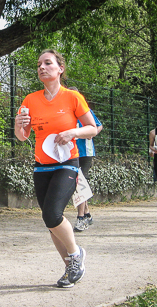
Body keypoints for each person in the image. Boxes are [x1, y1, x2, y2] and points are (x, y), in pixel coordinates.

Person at [14, 49, 97, 288]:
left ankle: (76, 254)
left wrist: (74, 132)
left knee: (52, 213)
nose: (41, 67)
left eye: (47, 63)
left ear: (60, 68)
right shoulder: (30, 99)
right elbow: (22, 137)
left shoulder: (72, 97)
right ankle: (69, 268)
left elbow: (92, 128)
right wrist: (19, 126)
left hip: (67, 164)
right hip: (41, 167)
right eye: (39, 64)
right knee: (51, 222)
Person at [68, 87, 103, 232]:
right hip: (70, 152)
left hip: (85, 152)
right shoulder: (65, 112)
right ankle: (87, 214)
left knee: (80, 182)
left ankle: (81, 218)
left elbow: (99, 126)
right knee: (75, 183)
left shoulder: (85, 110)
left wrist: (92, 134)